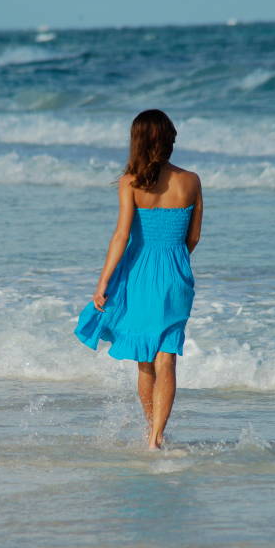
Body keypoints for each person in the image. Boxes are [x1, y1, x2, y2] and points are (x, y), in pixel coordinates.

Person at [74, 109, 203, 450]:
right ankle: (156, 436)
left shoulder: (130, 182)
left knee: (146, 361)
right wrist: (174, 263)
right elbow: (194, 238)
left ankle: (152, 431)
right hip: (177, 272)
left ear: (138, 141)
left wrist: (103, 282)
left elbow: (121, 235)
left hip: (138, 272)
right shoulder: (191, 180)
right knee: (167, 354)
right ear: (169, 139)